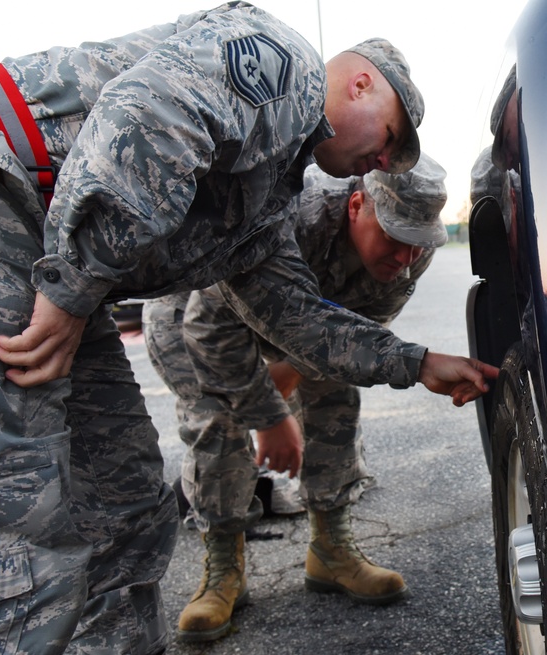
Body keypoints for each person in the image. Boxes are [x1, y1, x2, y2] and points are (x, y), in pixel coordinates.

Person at [0, 6, 495, 654]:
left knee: (131, 507)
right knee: (22, 534)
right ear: (362, 83)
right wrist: (72, 284)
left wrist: (419, 362)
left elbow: (300, 318)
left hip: (61, 272)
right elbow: (150, 116)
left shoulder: (268, 198)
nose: (388, 159)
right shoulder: (285, 66)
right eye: (393, 136)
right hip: (9, 194)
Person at [144, 153, 450, 642]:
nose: (406, 258)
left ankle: (331, 548)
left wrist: (290, 372)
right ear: (357, 206)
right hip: (196, 309)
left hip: (302, 322)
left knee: (335, 389)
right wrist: (267, 417)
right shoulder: (289, 212)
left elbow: (357, 334)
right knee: (218, 420)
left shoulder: (412, 246)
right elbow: (210, 324)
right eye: (395, 239)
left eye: (418, 245)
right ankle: (224, 566)